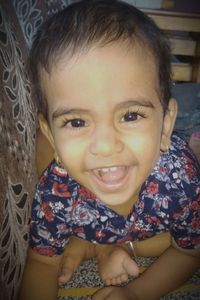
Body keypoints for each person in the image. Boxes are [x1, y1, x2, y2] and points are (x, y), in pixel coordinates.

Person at [19, 0, 200, 299]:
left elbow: (190, 253)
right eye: (76, 121)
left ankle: (99, 246)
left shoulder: (180, 181)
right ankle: (97, 245)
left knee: (174, 238)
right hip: (90, 221)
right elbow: (41, 263)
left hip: (148, 231)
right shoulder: (55, 191)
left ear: (166, 125)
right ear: (52, 136)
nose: (104, 146)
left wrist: (136, 293)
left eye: (130, 115)